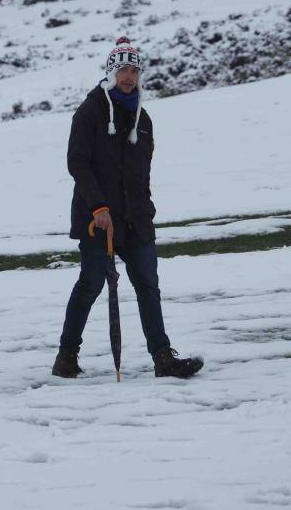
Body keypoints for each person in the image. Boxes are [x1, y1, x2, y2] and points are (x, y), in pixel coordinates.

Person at [53, 37, 203, 380]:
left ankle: (163, 358)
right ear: (111, 71)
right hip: (98, 220)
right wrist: (97, 207)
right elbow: (77, 163)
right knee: (90, 285)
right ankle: (66, 357)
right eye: (122, 68)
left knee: (148, 285)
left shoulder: (144, 119)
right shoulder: (90, 111)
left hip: (135, 220)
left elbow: (141, 174)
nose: (128, 75)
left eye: (134, 69)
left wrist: (145, 212)